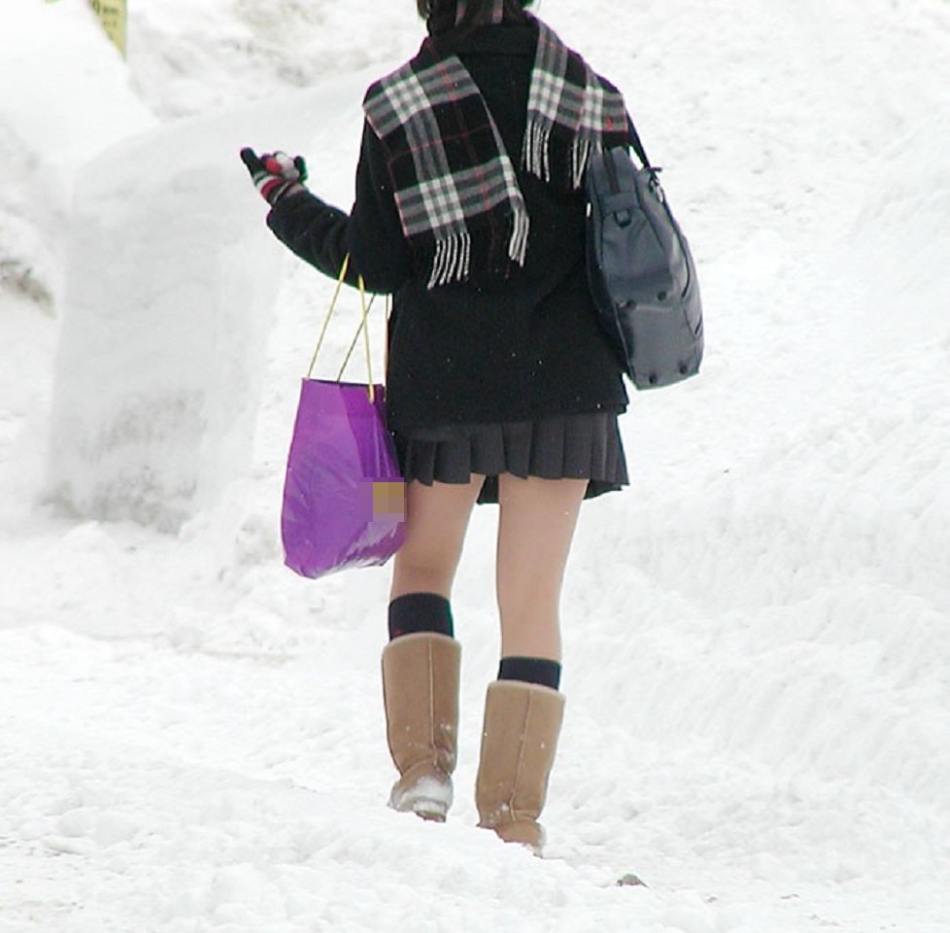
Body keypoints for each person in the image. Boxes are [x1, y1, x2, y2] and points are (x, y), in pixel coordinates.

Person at [241, 0, 633, 855]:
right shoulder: (587, 95)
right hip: (567, 386)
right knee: (531, 602)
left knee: (424, 564)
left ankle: (423, 773)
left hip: (448, 382)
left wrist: (285, 198)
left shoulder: (402, 103)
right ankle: (514, 821)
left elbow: (376, 264)